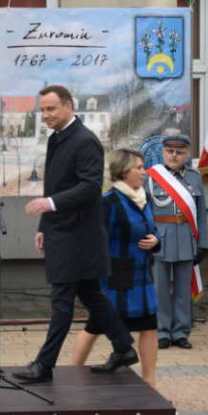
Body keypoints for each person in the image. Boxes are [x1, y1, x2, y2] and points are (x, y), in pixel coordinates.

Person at [16, 85, 138, 384]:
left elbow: (90, 186)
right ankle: (123, 347)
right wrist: (44, 226)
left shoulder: (85, 141)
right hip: (62, 232)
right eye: (42, 110)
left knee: (62, 301)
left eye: (51, 109)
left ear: (68, 106)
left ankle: (44, 365)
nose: (46, 115)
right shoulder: (57, 138)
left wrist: (50, 204)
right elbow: (55, 187)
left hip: (78, 237)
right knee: (92, 296)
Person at [70, 149, 160, 387]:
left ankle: (150, 383)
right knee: (94, 327)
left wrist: (156, 240)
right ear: (123, 171)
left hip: (143, 275)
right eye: (138, 168)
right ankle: (69, 378)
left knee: (149, 327)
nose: (144, 172)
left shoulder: (145, 197)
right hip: (115, 277)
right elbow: (91, 238)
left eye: (143, 167)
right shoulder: (108, 201)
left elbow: (153, 229)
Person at [146, 135, 207, 350]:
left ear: (186, 155)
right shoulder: (151, 177)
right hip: (160, 238)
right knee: (160, 288)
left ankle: (181, 332)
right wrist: (147, 240)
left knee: (183, 289)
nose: (174, 156)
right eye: (170, 151)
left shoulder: (194, 178)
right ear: (163, 153)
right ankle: (162, 331)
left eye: (179, 152)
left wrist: (202, 243)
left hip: (186, 238)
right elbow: (145, 212)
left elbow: (201, 213)